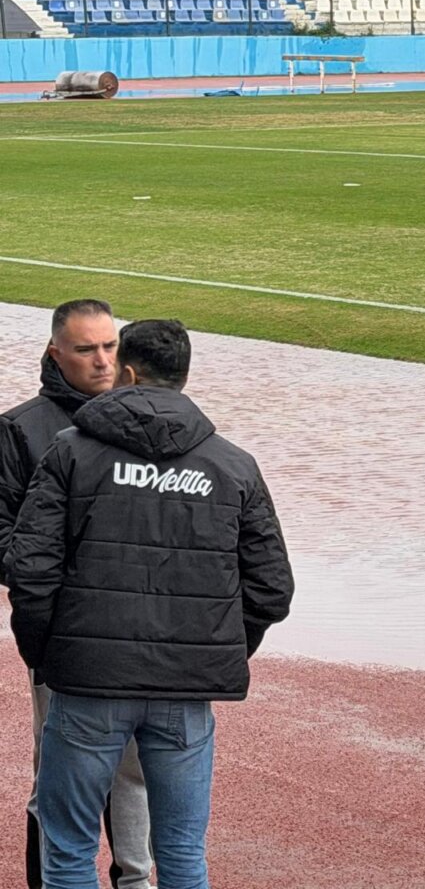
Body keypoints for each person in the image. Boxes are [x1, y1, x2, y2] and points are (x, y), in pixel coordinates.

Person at [4, 319, 295, 889]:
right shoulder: (234, 465)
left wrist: (49, 656)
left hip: (87, 684)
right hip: (183, 693)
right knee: (182, 853)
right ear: (183, 377)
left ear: (128, 373)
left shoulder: (70, 452)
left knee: (69, 851)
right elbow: (271, 589)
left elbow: (29, 570)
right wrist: (208, 654)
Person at [0, 300, 153, 889]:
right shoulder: (21, 428)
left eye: (110, 346)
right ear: (55, 353)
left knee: (133, 771)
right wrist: (66, 583)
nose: (103, 361)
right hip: (59, 630)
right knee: (59, 772)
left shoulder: (148, 423)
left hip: (135, 628)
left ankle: (134, 879)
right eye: (87, 349)